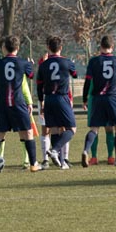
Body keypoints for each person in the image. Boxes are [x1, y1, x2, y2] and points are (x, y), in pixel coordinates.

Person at [0, 35, 41, 173]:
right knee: (28, 132)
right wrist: (30, 65)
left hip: (2, 103)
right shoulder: (23, 63)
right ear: (17, 48)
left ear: (4, 48)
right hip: (18, 102)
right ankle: (33, 164)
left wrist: (2, 92)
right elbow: (31, 76)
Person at [81, 35, 116, 167]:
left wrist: (84, 98)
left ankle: (86, 150)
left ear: (100, 46)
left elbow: (87, 81)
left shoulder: (94, 61)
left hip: (97, 98)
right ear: (112, 46)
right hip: (112, 97)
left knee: (94, 128)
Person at [37, 36, 77, 170]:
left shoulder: (43, 65)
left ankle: (61, 162)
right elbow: (75, 74)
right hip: (61, 97)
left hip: (48, 99)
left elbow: (38, 86)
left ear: (48, 48)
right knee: (71, 129)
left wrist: (41, 102)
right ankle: (55, 150)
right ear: (61, 48)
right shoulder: (67, 62)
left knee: (54, 129)